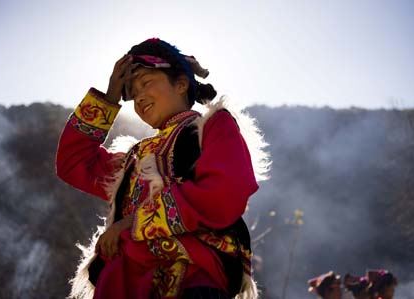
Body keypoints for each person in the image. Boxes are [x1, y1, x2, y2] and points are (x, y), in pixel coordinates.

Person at [56, 38, 268, 299]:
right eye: (133, 92)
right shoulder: (133, 161)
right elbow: (73, 163)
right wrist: (109, 98)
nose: (140, 97)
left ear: (181, 84)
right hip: (129, 287)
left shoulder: (213, 127)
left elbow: (225, 192)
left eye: (146, 83)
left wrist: (134, 222)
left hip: (193, 281)